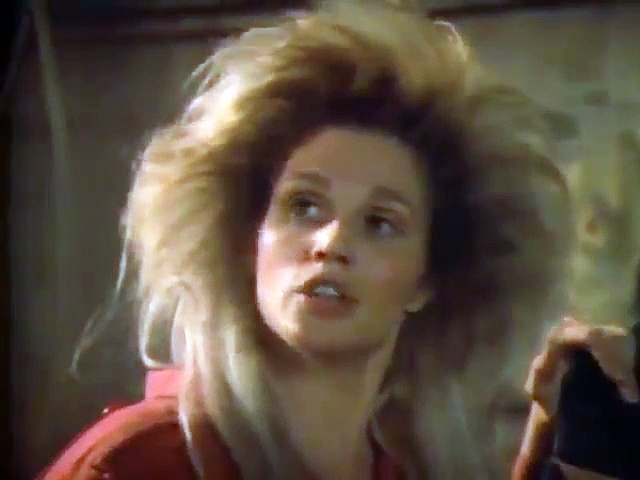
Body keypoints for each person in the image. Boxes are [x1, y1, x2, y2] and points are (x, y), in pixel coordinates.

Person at [37, 1, 617, 478]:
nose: (331, 241)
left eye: (380, 223)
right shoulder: (135, 462)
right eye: (304, 206)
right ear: (249, 240)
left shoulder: (400, 471)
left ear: (427, 280)